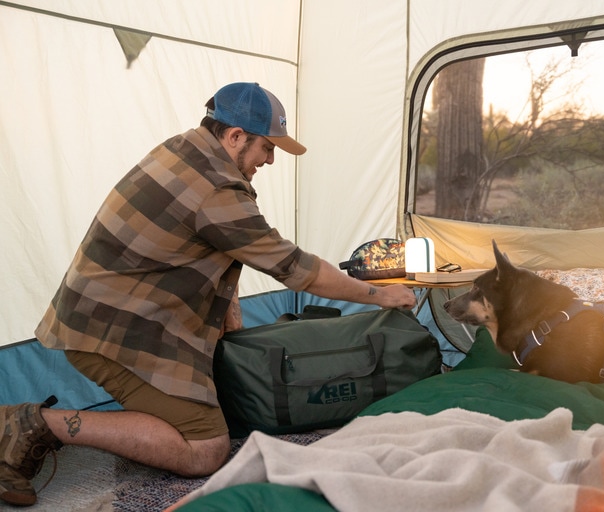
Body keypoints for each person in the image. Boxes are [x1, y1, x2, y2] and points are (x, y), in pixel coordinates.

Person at [0, 82, 416, 507]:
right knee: (206, 448)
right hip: (112, 334)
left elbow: (205, 244)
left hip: (103, 314)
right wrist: (380, 296)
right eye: (267, 148)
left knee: (214, 391)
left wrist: (226, 309)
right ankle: (33, 423)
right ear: (236, 136)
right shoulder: (216, 189)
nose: (270, 159)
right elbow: (296, 270)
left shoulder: (185, 149)